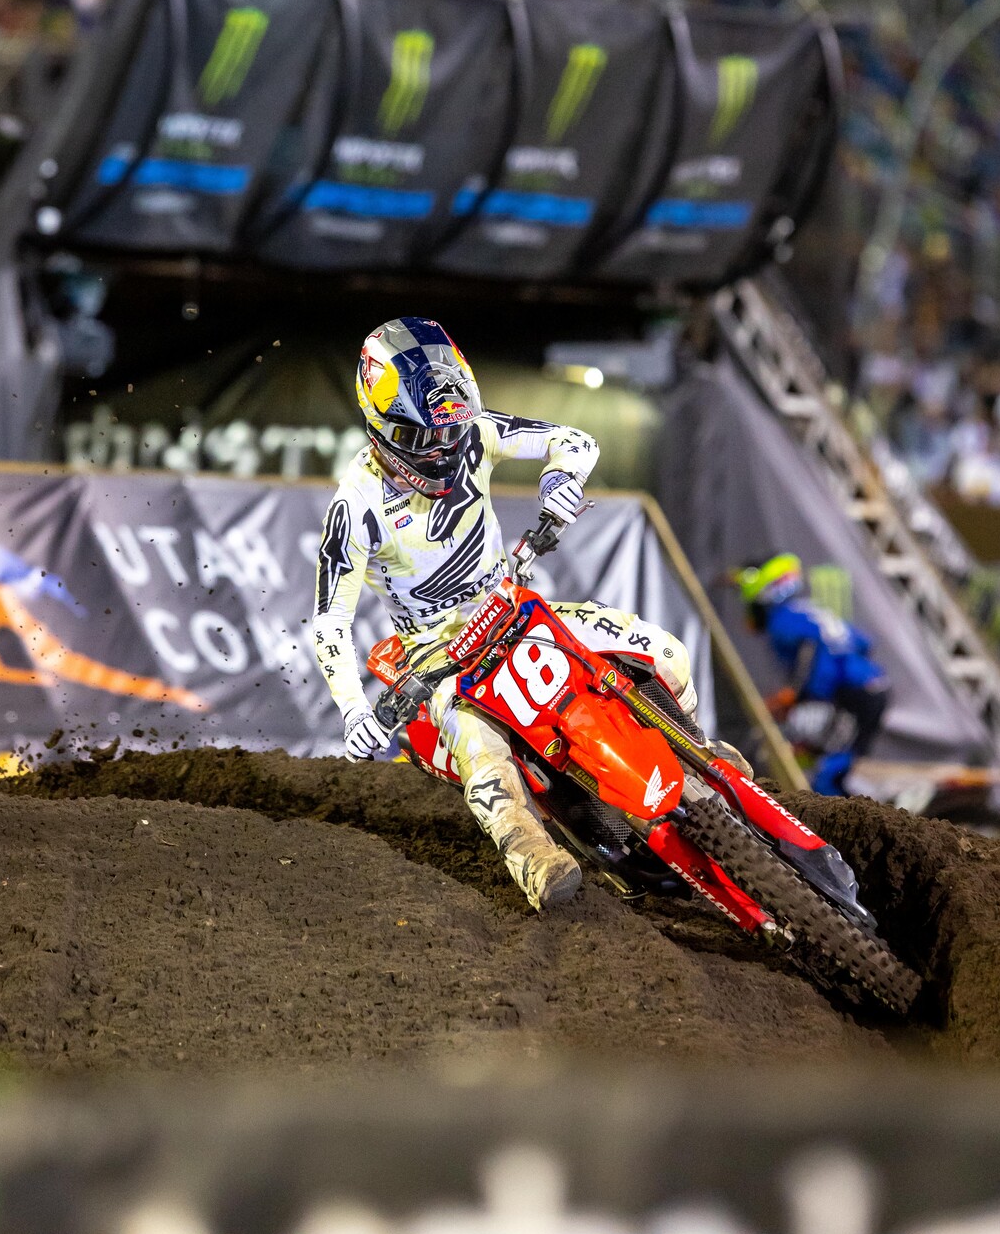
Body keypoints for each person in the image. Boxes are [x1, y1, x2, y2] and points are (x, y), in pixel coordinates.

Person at [312, 317, 705, 912]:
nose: (443, 450)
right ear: (380, 426)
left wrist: (559, 481)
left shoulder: (474, 434)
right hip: (436, 651)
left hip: (513, 607)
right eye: (422, 437)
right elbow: (329, 622)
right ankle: (534, 858)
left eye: (451, 430)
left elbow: (576, 441)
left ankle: (699, 759)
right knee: (481, 751)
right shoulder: (355, 505)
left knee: (664, 652)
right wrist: (352, 709)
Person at [732, 554, 889, 795]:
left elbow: (813, 648)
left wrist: (794, 694)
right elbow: (863, 643)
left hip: (855, 696)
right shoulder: (806, 610)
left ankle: (836, 814)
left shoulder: (783, 619)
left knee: (827, 771)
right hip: (866, 690)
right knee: (825, 758)